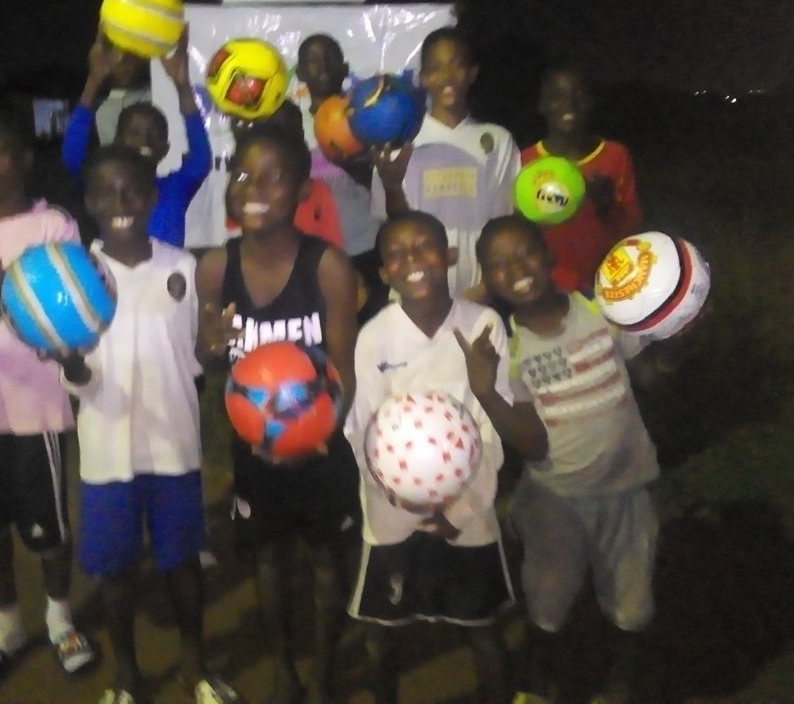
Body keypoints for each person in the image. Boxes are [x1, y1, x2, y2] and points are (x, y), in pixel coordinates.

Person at [57, 146, 240, 704]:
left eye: (133, 190)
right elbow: (80, 379)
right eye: (105, 193)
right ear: (88, 201)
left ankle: (194, 665)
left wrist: (213, 351)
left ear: (154, 197)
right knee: (115, 571)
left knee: (181, 562)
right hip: (106, 449)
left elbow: (196, 360)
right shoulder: (74, 276)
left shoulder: (182, 268)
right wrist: (69, 361)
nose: (121, 203)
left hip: (173, 445)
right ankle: (126, 674)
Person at [344, 210, 548, 704]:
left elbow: (490, 426)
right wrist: (398, 498)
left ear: (450, 256)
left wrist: (460, 507)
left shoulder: (482, 325)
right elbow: (361, 428)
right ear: (384, 271)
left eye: (424, 246)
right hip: (395, 515)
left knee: (482, 629)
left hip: (467, 511)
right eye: (397, 254)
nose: (412, 260)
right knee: (383, 637)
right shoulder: (374, 336)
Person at [195, 125, 360, 704]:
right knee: (267, 560)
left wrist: (317, 434)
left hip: (321, 450)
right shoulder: (215, 268)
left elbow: (345, 369)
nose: (253, 188)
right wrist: (209, 347)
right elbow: (207, 358)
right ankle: (284, 671)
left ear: (303, 191)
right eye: (242, 175)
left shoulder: (328, 267)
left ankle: (324, 672)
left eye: (273, 178)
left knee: (326, 560)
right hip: (254, 450)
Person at [477, 214, 670, 703]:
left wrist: (673, 339)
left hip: (627, 490)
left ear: (548, 255)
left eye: (525, 253)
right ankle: (541, 684)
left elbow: (648, 377)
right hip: (556, 499)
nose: (516, 268)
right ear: (489, 280)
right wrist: (486, 392)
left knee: (631, 604)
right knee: (548, 601)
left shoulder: (600, 309)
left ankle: (620, 686)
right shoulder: (508, 350)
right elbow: (533, 446)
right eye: (499, 264)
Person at [0, 104, 96, 694]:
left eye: (0, 151)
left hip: (36, 400)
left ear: (26, 159)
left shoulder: (53, 226)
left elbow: (72, 310)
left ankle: (60, 621)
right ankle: (5, 629)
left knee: (48, 526)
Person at [370, 27, 521, 295]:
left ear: (472, 72)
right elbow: (395, 225)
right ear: (424, 78)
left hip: (478, 292)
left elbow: (503, 225)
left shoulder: (497, 140)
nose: (448, 76)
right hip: (415, 294)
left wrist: (486, 288)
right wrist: (391, 187)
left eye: (456, 65)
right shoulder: (399, 141)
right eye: (436, 68)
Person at [61, 27, 209, 248]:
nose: (145, 141)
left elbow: (201, 157)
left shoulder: (174, 188)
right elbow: (72, 155)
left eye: (154, 135)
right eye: (134, 133)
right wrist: (93, 81)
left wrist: (182, 86)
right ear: (118, 141)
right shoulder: (105, 185)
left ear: (165, 149)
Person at [521, 63, 643, 295]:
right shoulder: (526, 161)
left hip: (609, 281)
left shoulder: (615, 155)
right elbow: (521, 233)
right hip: (550, 288)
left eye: (579, 95)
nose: (569, 104)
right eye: (557, 96)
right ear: (542, 104)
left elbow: (633, 226)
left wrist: (608, 206)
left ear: (591, 101)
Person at [296, 34, 388, 322]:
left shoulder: (369, 120)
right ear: (300, 73)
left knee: (369, 334)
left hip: (366, 248)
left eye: (330, 59)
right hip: (312, 255)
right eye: (313, 61)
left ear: (345, 69)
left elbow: (389, 185)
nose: (323, 67)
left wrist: (352, 165)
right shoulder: (290, 124)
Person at [227, 100, 344, 249]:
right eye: (272, 131)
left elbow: (332, 244)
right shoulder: (247, 191)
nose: (281, 139)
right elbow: (235, 227)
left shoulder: (318, 191)